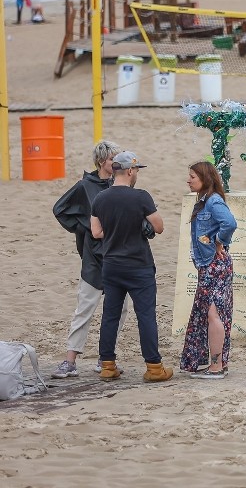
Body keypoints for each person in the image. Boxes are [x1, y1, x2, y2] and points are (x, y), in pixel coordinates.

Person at [90, 151, 173, 382]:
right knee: (146, 315)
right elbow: (159, 227)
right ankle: (154, 367)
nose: (136, 174)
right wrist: (135, 225)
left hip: (112, 265)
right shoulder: (141, 197)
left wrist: (117, 228)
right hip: (138, 265)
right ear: (129, 171)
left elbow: (96, 232)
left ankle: (107, 365)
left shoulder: (100, 198)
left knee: (110, 315)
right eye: (136, 170)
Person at [51, 141, 131, 379]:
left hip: (119, 255)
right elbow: (60, 209)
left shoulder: (123, 183)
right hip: (94, 258)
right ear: (101, 161)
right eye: (112, 160)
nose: (116, 163)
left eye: (118, 159)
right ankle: (70, 361)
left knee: (121, 309)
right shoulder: (85, 186)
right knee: (85, 306)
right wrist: (86, 228)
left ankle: (105, 358)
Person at [181, 161, 237, 379]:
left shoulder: (213, 201)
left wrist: (219, 241)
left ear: (205, 178)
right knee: (213, 313)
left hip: (213, 265)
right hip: (210, 265)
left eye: (192, 176)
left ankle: (216, 367)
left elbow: (230, 223)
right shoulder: (205, 201)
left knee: (213, 313)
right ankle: (218, 363)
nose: (188, 180)